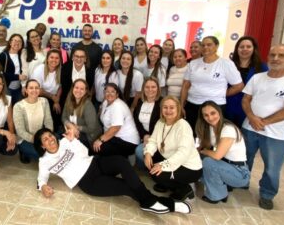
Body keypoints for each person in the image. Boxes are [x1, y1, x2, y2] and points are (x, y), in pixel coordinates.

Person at [35, 127, 192, 214]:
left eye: (50, 136)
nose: (50, 140)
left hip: (95, 164)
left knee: (121, 162)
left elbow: (84, 153)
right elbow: (41, 179)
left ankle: (149, 202)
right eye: (46, 140)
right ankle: (169, 205)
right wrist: (43, 187)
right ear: (42, 146)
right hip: (89, 182)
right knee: (126, 187)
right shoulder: (44, 161)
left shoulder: (65, 141)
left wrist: (73, 140)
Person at [241, 44, 284, 210]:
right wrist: (251, 117)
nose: (276, 59)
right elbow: (246, 99)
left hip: (276, 134)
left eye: (281, 55)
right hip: (249, 128)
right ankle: (241, 183)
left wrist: (263, 122)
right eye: (272, 55)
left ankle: (267, 194)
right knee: (243, 160)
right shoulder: (257, 78)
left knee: (272, 167)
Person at [180, 36, 243, 138]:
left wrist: (221, 93)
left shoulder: (226, 64)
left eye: (209, 45)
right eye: (203, 45)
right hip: (192, 105)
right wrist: (182, 105)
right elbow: (185, 85)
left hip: (214, 107)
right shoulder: (193, 63)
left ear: (216, 46)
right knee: (190, 135)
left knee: (210, 137)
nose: (205, 47)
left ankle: (208, 154)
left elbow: (239, 86)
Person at [144, 96, 202, 201]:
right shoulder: (160, 122)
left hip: (188, 167)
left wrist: (163, 165)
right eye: (165, 107)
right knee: (150, 166)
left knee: (157, 174)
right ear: (161, 109)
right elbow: (152, 141)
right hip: (169, 158)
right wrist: (148, 153)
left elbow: (183, 153)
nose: (168, 110)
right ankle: (167, 182)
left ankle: (185, 188)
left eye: (172, 107)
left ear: (178, 109)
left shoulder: (183, 125)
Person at [196, 101, 250, 204]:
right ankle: (221, 188)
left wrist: (203, 151)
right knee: (201, 159)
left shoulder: (228, 129)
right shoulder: (211, 127)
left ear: (219, 112)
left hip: (239, 172)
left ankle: (217, 195)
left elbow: (217, 155)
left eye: (213, 113)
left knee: (208, 162)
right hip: (226, 165)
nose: (210, 118)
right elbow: (204, 146)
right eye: (206, 115)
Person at [225, 36, 268, 128]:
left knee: (244, 138)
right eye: (241, 47)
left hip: (249, 109)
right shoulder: (228, 65)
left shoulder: (262, 68)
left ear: (254, 49)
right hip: (228, 107)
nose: (245, 49)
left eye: (248, 47)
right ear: (237, 49)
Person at [94, 83, 139, 157]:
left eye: (112, 92)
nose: (109, 94)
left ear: (117, 94)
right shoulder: (105, 102)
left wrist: (100, 140)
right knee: (96, 144)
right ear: (104, 93)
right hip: (115, 137)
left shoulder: (117, 106)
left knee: (100, 148)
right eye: (107, 91)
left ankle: (120, 163)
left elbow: (115, 128)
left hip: (128, 140)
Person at [13, 79, 53, 163]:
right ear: (26, 90)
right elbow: (20, 131)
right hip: (25, 139)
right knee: (43, 154)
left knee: (55, 147)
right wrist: (38, 141)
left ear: (39, 90)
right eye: (31, 88)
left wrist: (48, 137)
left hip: (41, 136)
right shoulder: (18, 106)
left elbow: (48, 121)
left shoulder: (44, 101)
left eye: (36, 88)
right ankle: (23, 152)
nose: (34, 90)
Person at [62, 79, 102, 147]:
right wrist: (72, 127)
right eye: (76, 87)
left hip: (88, 136)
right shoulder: (69, 100)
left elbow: (91, 128)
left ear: (86, 91)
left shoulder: (88, 105)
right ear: (72, 88)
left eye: (82, 89)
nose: (78, 91)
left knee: (67, 144)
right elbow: (63, 117)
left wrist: (76, 128)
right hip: (73, 130)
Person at [31, 49, 63, 132]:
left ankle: (55, 131)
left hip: (55, 96)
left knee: (58, 110)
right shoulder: (39, 69)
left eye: (57, 58)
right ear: (47, 59)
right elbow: (37, 89)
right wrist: (53, 97)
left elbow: (60, 86)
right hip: (40, 96)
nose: (54, 60)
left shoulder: (61, 70)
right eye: (51, 57)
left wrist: (57, 99)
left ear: (60, 60)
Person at [134, 78, 162, 168]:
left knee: (139, 150)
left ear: (158, 89)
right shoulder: (140, 102)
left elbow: (164, 126)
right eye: (147, 87)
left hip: (157, 138)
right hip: (144, 135)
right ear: (143, 89)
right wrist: (144, 135)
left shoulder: (162, 103)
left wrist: (151, 138)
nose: (150, 90)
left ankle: (154, 167)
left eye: (153, 87)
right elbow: (137, 122)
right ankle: (145, 166)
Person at [0, 33, 26, 105]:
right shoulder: (3, 55)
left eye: (19, 41)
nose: (17, 43)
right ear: (10, 43)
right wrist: (17, 77)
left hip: (18, 89)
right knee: (7, 111)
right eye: (15, 40)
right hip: (7, 89)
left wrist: (23, 85)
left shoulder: (22, 56)